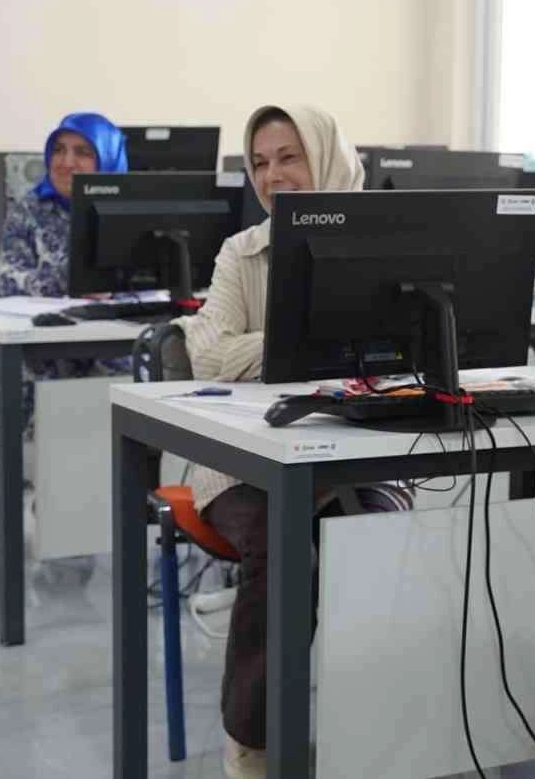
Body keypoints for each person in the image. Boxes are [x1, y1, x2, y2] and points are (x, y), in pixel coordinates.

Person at [176, 104, 415, 779]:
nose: (272, 176)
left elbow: (406, 350)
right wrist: (307, 342)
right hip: (242, 461)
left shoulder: (385, 245)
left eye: (289, 157)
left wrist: (287, 350)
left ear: (326, 157)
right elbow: (209, 355)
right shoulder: (242, 253)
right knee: (287, 547)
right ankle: (251, 739)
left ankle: (377, 729)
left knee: (387, 544)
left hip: (356, 452)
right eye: (259, 162)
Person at [0, 112, 133, 400]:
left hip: (115, 341)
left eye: (82, 152)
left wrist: (115, 291)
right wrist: (77, 281)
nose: (66, 162)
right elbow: (9, 279)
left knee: (147, 373)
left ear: (108, 158)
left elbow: (151, 282)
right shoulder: (28, 208)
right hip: (43, 346)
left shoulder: (131, 209)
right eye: (58, 150)